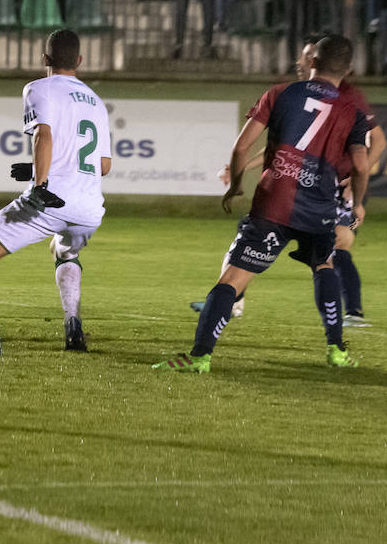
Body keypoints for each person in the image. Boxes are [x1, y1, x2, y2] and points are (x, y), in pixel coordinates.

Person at [155, 35, 371, 373]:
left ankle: (200, 356)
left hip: (276, 201)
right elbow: (360, 165)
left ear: (311, 61)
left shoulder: (281, 93)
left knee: (233, 278)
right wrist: (357, 204)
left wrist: (235, 187)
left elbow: (242, 147)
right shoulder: (353, 113)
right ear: (349, 69)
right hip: (319, 207)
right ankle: (337, 350)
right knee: (324, 265)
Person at [190, 38, 387, 324]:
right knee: (257, 241)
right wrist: (242, 167)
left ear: (319, 61)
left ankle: (353, 313)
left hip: (336, 186)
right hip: (302, 186)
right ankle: (232, 302)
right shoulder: (296, 95)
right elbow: (281, 149)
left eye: (307, 56)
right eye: (302, 56)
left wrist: (355, 183)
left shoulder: (349, 98)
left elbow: (378, 141)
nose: (301, 62)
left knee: (339, 243)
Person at [0, 29, 112, 356]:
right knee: (65, 251)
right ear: (79, 61)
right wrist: (42, 169)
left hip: (51, 200)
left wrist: (40, 183)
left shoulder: (39, 88)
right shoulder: (96, 101)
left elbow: (44, 135)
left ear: (45, 60)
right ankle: (72, 323)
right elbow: (104, 165)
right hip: (89, 209)